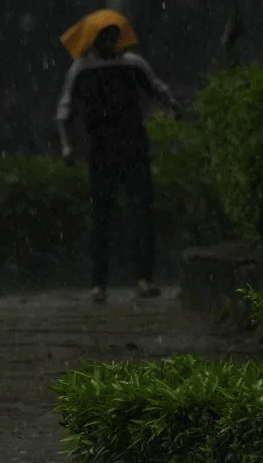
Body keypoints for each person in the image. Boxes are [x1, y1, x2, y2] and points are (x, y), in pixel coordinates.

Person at [56, 22, 182, 304]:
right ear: (94, 41)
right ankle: (99, 283)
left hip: (133, 147)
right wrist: (68, 146)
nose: (110, 42)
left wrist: (173, 106)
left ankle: (143, 277)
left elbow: (157, 89)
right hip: (101, 150)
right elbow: (65, 111)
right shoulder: (81, 69)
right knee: (102, 216)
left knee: (142, 212)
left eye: (113, 37)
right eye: (105, 37)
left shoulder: (132, 64)